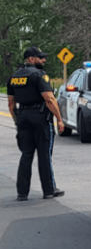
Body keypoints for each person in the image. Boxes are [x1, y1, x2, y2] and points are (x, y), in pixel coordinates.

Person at [7, 46, 65, 201]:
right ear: (31, 59)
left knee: (26, 154)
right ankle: (49, 190)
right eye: (40, 58)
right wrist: (59, 119)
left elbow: (11, 104)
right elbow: (49, 99)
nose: (43, 60)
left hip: (23, 117)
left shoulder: (13, 77)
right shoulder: (39, 75)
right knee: (44, 155)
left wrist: (17, 121)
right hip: (40, 117)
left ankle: (22, 193)